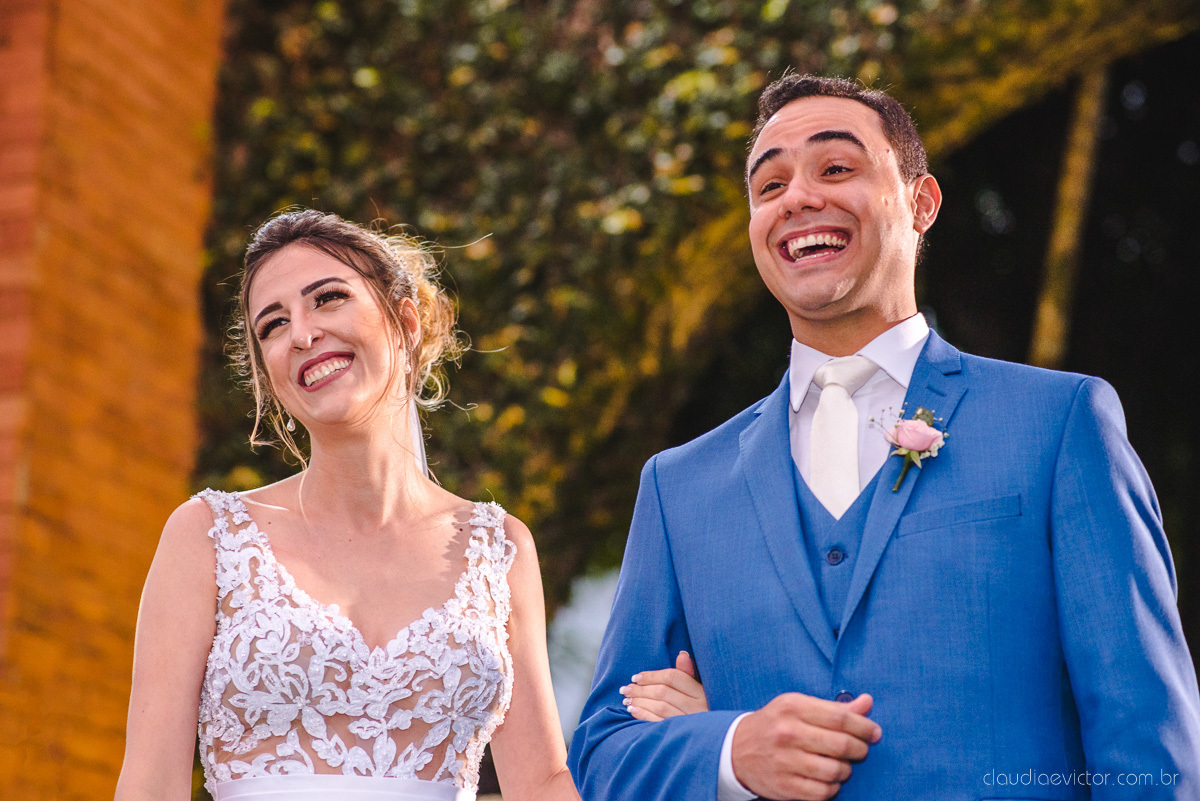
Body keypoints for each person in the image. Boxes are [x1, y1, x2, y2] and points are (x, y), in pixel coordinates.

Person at [569, 74, 1200, 800]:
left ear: (921, 203)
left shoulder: (1058, 424)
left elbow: (1145, 745)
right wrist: (732, 748)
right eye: (769, 185)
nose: (798, 197)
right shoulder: (679, 486)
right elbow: (604, 750)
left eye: (836, 168)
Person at [115, 210, 708, 801]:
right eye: (272, 325)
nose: (300, 333)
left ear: (404, 321)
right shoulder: (209, 535)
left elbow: (541, 786)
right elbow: (149, 784)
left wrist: (680, 752)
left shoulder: (499, 548)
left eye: (327, 299)